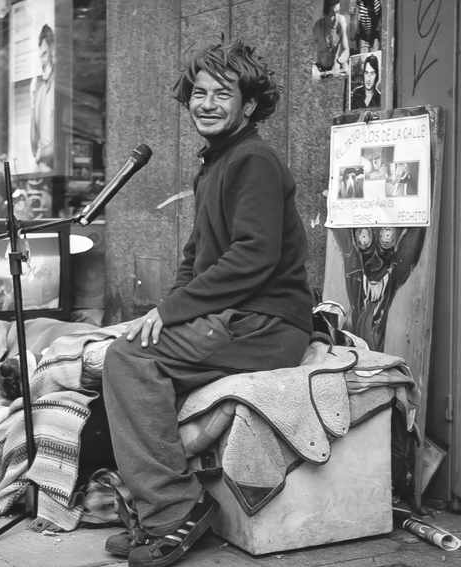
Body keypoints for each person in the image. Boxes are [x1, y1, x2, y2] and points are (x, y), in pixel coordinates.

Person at [100, 39, 313, 567]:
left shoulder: (253, 160)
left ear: (249, 104)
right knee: (131, 347)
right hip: (237, 317)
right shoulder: (216, 163)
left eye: (223, 94)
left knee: (128, 359)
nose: (207, 104)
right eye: (199, 93)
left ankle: (175, 511)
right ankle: (160, 507)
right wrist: (165, 311)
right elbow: (195, 258)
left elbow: (254, 256)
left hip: (265, 323)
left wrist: (171, 313)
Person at [30, 24, 55, 172]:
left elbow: (57, 146)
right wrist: (32, 104)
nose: (42, 62)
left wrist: (40, 154)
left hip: (55, 171)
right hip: (41, 171)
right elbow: (34, 147)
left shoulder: (58, 89)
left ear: (53, 51)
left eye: (44, 54)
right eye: (40, 57)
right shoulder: (39, 92)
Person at [313, 0, 350, 76]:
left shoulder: (341, 21)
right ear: (325, 15)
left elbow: (346, 50)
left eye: (338, 12)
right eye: (332, 15)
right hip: (321, 69)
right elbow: (306, 53)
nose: (336, 18)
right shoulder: (318, 27)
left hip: (335, 67)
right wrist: (314, 68)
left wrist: (339, 62)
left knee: (348, 70)